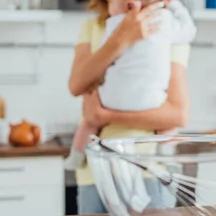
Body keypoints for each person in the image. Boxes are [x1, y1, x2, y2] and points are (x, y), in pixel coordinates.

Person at [67, 0, 191, 214]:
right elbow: (77, 84)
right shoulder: (92, 27)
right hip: (94, 169)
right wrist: (122, 37)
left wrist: (103, 115)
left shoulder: (164, 24)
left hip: (149, 168)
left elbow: (177, 115)